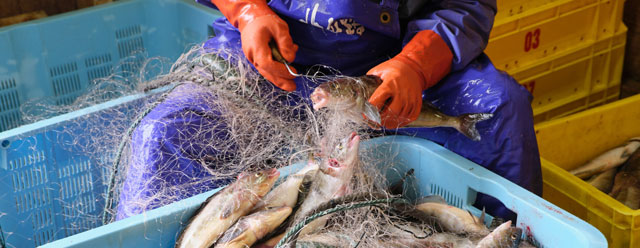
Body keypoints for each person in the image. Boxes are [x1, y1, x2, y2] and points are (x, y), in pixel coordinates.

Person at [115, 0, 542, 221]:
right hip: (265, 61)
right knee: (165, 133)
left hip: (389, 73)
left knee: (500, 109)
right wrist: (246, 11)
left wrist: (415, 65)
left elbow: (465, 6)